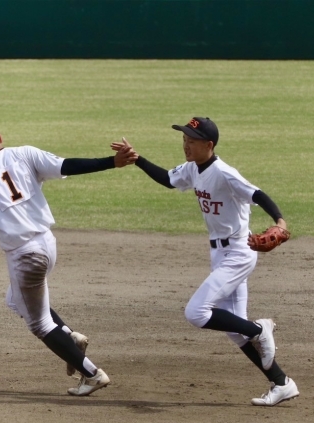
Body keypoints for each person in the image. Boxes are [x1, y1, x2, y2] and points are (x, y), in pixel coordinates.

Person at [0, 124, 136, 396]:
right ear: (0, 138)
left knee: (40, 324)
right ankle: (69, 336)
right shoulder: (24, 153)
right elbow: (68, 165)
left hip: (25, 257)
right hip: (47, 245)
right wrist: (112, 162)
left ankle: (92, 374)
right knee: (15, 299)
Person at [112, 117, 300, 406]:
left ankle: (260, 329)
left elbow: (257, 194)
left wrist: (280, 222)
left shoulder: (224, 173)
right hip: (220, 254)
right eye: (184, 139)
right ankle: (281, 383)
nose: (186, 145)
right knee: (234, 330)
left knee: (197, 312)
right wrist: (137, 160)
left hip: (239, 252)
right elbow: (167, 179)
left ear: (209, 145)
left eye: (192, 140)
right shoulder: (192, 169)